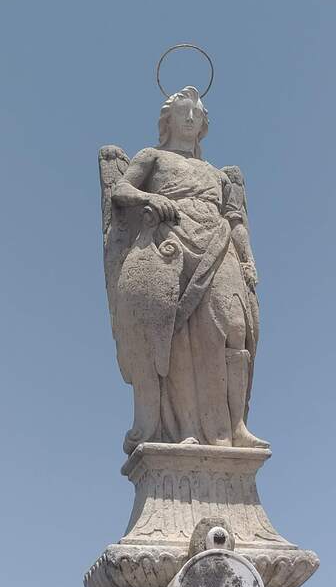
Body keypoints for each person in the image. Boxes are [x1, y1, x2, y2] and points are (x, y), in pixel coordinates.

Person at [103, 86, 268, 453]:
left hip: (218, 242)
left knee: (235, 327)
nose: (190, 117)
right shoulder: (153, 157)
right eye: (183, 111)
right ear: (169, 119)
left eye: (196, 112)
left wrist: (247, 258)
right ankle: (184, 427)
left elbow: (236, 220)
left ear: (204, 122)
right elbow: (120, 191)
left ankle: (236, 425)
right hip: (171, 240)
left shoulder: (217, 174)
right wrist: (150, 197)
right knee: (177, 334)